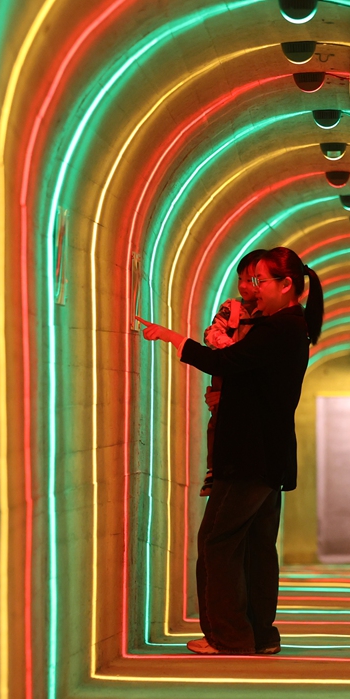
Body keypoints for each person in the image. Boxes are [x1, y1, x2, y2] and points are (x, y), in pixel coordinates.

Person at [136, 247, 323, 655]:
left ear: (286, 285)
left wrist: (171, 337)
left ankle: (229, 636)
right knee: (256, 548)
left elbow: (229, 362)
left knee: (217, 542)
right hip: (266, 457)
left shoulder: (281, 329)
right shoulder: (285, 328)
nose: (252, 290)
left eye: (260, 281)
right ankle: (260, 636)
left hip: (248, 457)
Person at [199, 249, 267, 497]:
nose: (244, 286)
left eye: (252, 280)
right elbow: (210, 334)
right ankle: (213, 468)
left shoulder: (269, 312)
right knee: (218, 420)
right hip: (228, 372)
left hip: (250, 377)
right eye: (241, 279)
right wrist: (229, 347)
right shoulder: (232, 308)